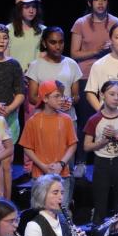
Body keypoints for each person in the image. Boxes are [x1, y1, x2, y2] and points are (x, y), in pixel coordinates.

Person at [71, 0, 118, 150]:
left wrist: (113, 47)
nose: (100, 3)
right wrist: (96, 51)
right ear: (89, 2)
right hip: (86, 76)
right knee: (87, 120)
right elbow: (74, 53)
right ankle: (82, 160)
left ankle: (109, 155)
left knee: (110, 118)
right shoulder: (81, 23)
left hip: (110, 77)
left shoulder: (116, 23)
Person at [83, 80, 118, 223]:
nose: (116, 98)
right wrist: (101, 142)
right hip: (102, 163)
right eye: (112, 94)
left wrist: (117, 135)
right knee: (100, 203)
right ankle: (98, 231)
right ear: (102, 95)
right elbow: (86, 146)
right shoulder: (95, 119)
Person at [19, 80, 78, 208]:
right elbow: (27, 147)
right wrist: (43, 166)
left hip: (62, 174)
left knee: (61, 211)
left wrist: (61, 164)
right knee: (39, 209)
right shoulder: (33, 121)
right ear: (45, 99)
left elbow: (72, 144)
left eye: (62, 96)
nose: (61, 99)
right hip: (40, 175)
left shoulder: (66, 119)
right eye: (56, 96)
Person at [25, 26, 82, 125]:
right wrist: (51, 103)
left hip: (68, 119)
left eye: (61, 42)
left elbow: (76, 96)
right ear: (44, 43)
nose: (58, 46)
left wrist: (70, 101)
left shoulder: (71, 64)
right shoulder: (35, 65)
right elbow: (32, 97)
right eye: (53, 42)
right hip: (44, 120)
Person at [8, 0, 45, 74]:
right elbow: (5, 57)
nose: (31, 10)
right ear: (19, 8)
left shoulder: (43, 30)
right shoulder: (8, 30)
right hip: (14, 76)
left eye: (34, 7)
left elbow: (44, 56)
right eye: (27, 7)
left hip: (35, 76)